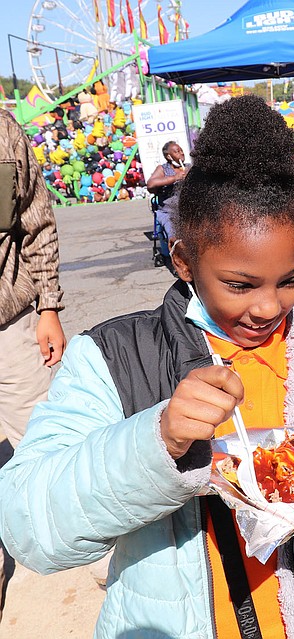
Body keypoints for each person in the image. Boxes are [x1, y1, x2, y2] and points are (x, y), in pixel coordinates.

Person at [0, 95, 294, 639]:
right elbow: (28, 526)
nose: (269, 308)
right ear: (184, 260)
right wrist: (156, 442)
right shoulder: (115, 357)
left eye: (290, 279)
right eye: (239, 285)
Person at [0, 107, 66, 621]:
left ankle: (57, 546)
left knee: (41, 441)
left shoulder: (3, 131)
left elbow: (35, 223)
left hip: (11, 326)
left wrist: (48, 307)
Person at [146, 140, 187, 238]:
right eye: (177, 151)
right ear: (169, 156)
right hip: (168, 212)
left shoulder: (188, 167)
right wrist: (175, 178)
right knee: (175, 235)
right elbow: (150, 184)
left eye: (181, 150)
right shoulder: (163, 169)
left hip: (188, 211)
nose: (181, 153)